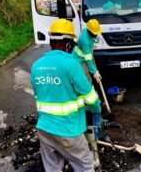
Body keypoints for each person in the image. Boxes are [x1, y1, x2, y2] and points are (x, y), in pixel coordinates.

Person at [30, 19, 102, 172]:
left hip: (44, 129)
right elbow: (91, 98)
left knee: (53, 167)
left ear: (51, 41)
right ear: (68, 44)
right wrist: (97, 111)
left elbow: (40, 97)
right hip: (69, 130)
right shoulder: (71, 65)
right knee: (85, 165)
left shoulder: (36, 66)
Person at [72, 19, 102, 83]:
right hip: (80, 61)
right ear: (90, 31)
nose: (96, 35)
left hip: (81, 57)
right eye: (94, 33)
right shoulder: (85, 41)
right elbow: (88, 59)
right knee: (86, 80)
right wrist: (95, 72)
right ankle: (89, 91)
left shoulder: (86, 29)